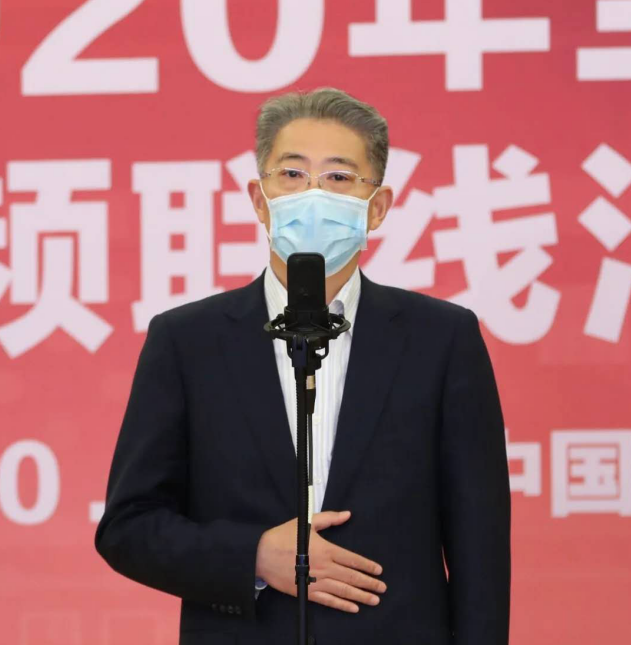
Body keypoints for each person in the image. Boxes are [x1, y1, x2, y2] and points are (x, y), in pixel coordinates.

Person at [95, 87, 511, 645]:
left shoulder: (442, 339)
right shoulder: (187, 341)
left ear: (378, 206)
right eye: (292, 174)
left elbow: (480, 545)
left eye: (339, 177)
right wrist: (252, 556)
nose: (313, 194)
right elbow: (128, 527)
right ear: (259, 198)